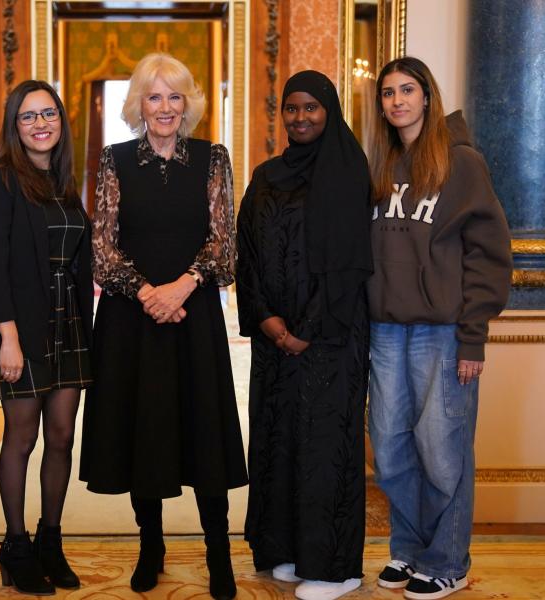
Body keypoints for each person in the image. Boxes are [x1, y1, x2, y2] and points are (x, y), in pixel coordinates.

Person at [79, 52, 247, 600]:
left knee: (204, 431)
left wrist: (183, 286)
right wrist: (151, 293)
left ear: (189, 104)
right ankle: (151, 546)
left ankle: (218, 551)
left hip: (193, 316)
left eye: (175, 96)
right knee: (143, 431)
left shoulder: (212, 158)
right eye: (155, 96)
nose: (166, 107)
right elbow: (102, 249)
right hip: (132, 321)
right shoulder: (114, 160)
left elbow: (224, 244)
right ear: (139, 105)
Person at [367, 56, 512, 600]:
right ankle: (408, 549)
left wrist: (473, 333)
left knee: (442, 446)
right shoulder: (381, 162)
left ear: (427, 96)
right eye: (388, 93)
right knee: (389, 446)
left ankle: (448, 560)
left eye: (408, 90)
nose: (398, 100)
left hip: (442, 331)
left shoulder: (461, 163)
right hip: (386, 329)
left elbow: (489, 253)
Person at [236, 70, 372, 600]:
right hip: (276, 342)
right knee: (279, 440)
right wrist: (267, 320)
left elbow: (351, 263)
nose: (300, 117)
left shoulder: (348, 171)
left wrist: (307, 331)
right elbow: (246, 252)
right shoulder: (267, 175)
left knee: (324, 447)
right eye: (291, 108)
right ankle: (287, 549)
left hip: (331, 340)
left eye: (311, 108)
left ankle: (335, 567)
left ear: (329, 111)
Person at [0, 80, 93, 596]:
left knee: (62, 436)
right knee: (21, 437)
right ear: (14, 126)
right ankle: (16, 546)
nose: (41, 124)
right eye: (28, 116)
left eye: (49, 114)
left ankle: (50, 541)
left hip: (69, 327)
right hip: (20, 326)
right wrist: (7, 338)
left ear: (61, 122)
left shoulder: (65, 182)